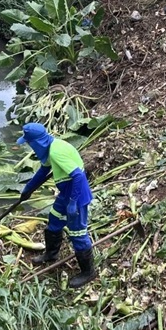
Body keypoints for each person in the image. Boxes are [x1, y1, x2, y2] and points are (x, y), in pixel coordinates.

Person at [16, 122, 96, 287]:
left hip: (76, 194)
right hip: (66, 193)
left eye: (30, 143)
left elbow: (79, 176)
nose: (30, 147)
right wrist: (28, 189)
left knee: (78, 233)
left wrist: (73, 203)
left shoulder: (56, 152)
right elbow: (43, 171)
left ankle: (88, 272)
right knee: (54, 220)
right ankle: (51, 254)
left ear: (36, 142)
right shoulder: (51, 148)